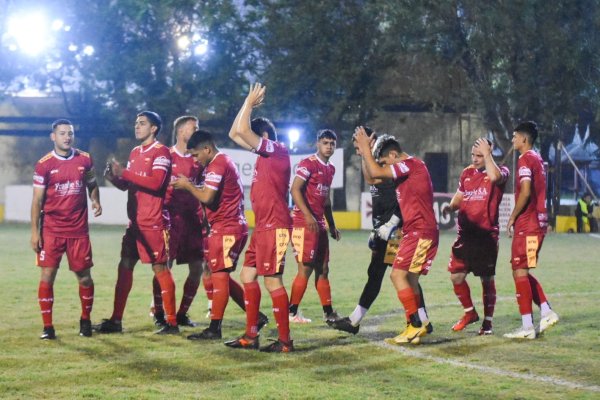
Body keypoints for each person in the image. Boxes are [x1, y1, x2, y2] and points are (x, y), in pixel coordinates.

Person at [172, 130, 267, 340]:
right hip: (227, 227)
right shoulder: (220, 162)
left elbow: (207, 196)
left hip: (227, 228)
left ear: (207, 149)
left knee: (219, 276)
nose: (195, 161)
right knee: (217, 273)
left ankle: (215, 328)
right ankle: (257, 316)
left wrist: (188, 185)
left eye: (196, 155)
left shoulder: (217, 163)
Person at [223, 83, 294, 352]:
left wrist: (249, 103)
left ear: (264, 136)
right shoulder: (264, 156)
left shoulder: (277, 150)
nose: (249, 139)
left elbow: (242, 130)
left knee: (272, 280)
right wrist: (246, 106)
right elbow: (234, 132)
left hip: (275, 226)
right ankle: (251, 336)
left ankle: (286, 342)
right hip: (262, 227)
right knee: (247, 275)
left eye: (255, 135)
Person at [95, 111, 180, 335]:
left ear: (154, 128)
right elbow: (129, 185)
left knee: (159, 268)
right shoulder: (135, 152)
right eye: (136, 123)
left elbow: (156, 183)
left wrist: (125, 172)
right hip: (135, 224)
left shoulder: (161, 151)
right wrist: (115, 178)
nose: (137, 127)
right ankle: (116, 320)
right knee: (124, 266)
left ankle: (171, 323)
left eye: (142, 124)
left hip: (154, 222)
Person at [355, 128, 438, 345]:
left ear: (393, 155)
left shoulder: (410, 164)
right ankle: (418, 324)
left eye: (385, 161)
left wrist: (365, 148)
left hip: (420, 231)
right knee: (410, 279)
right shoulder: (408, 169)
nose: (384, 167)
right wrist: (366, 153)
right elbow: (373, 177)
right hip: (418, 230)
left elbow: (375, 173)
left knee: (396, 276)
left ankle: (414, 325)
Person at [330, 128, 410, 335]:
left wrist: (391, 224)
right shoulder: (373, 161)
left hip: (395, 232)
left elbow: (375, 178)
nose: (357, 148)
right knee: (376, 273)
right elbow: (370, 180)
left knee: (402, 276)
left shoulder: (385, 163)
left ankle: (418, 320)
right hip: (383, 231)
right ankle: (355, 320)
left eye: (360, 144)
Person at [31, 119, 102, 339]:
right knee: (47, 275)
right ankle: (48, 327)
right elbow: (37, 201)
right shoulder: (44, 164)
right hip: (51, 230)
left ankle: (85, 320)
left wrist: (95, 200)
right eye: (62, 133)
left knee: (84, 278)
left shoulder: (85, 159)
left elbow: (92, 183)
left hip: (78, 230)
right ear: (53, 137)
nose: (67, 137)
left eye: (70, 133)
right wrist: (35, 232)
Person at [442, 138, 509, 335]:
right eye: (474, 155)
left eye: (480, 155)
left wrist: (487, 155)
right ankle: (470, 313)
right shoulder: (467, 173)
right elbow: (459, 197)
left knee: (486, 279)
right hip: (465, 236)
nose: (476, 159)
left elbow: (495, 177)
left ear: (489, 153)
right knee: (456, 276)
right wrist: (450, 206)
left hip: (485, 237)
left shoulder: (501, 171)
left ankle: (487, 323)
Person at [504, 121, 559, 339]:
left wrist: (512, 216)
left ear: (524, 139)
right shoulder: (537, 158)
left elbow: (526, 192)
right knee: (521, 270)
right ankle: (545, 311)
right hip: (536, 223)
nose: (512, 140)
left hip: (529, 224)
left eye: (515, 136)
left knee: (519, 270)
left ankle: (527, 326)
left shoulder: (526, 159)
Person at [150, 115, 204, 328]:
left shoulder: (198, 159)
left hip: (192, 221)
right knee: (164, 266)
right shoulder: (165, 156)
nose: (197, 131)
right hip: (170, 220)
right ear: (182, 132)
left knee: (197, 268)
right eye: (194, 127)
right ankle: (159, 311)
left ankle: (182, 312)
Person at [288, 129, 341, 324]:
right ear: (317, 144)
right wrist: (308, 215)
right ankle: (291, 312)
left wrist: (332, 225)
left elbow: (326, 200)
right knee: (306, 268)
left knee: (324, 269)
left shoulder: (331, 168)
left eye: (332, 143)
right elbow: (295, 189)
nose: (329, 146)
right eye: (325, 143)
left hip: (319, 224)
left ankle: (329, 313)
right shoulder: (308, 164)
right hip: (303, 223)